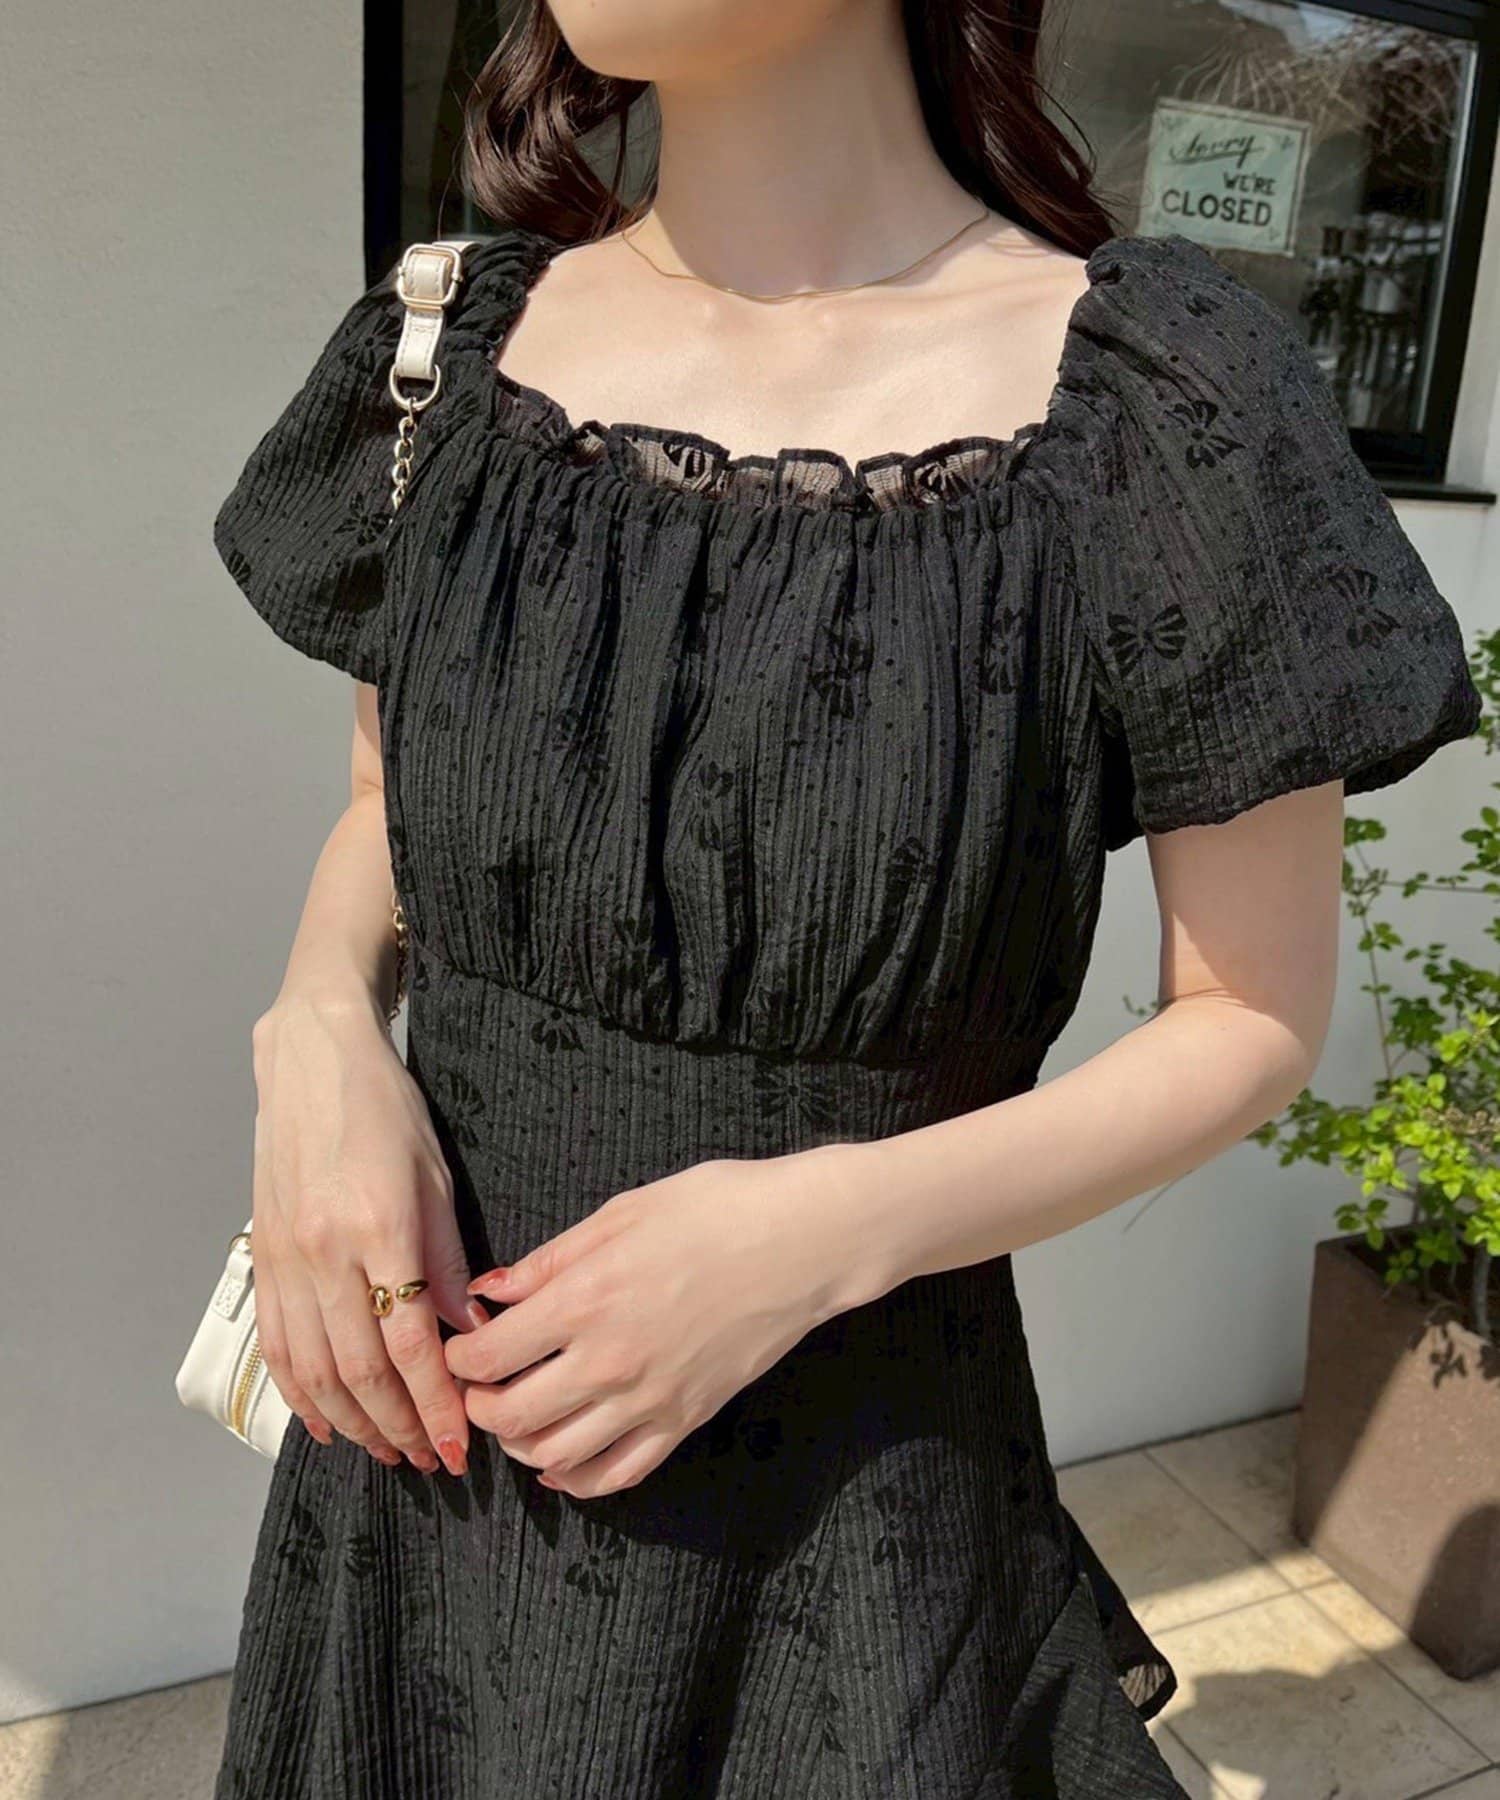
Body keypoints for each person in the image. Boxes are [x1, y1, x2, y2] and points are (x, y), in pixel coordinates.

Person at [207, 1, 1483, 1795]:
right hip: (428, 1478)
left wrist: (814, 1237)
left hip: (852, 1525)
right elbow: (384, 812)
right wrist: (318, 1032)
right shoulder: (447, 345)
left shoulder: (1157, 400)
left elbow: (1250, 1016)